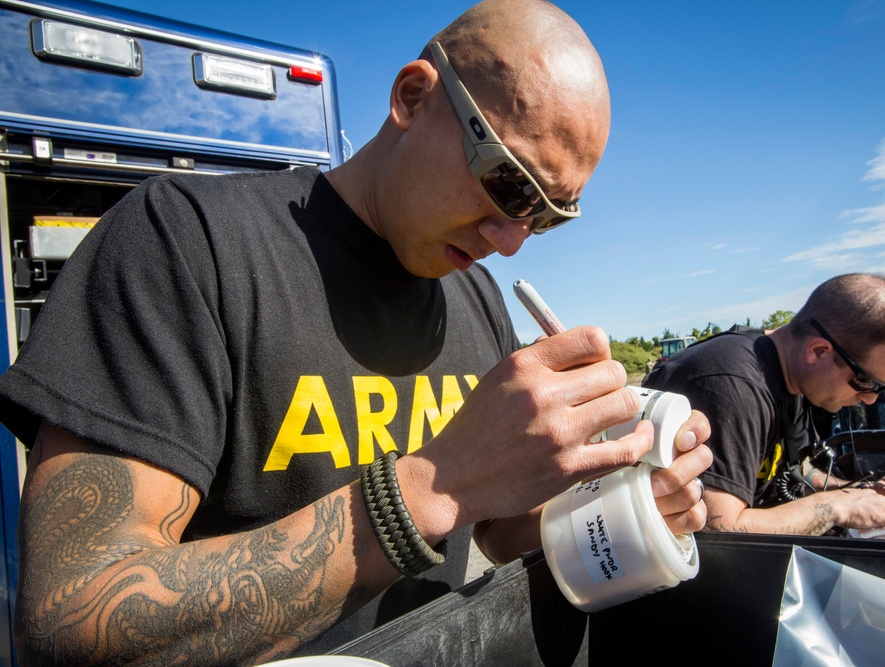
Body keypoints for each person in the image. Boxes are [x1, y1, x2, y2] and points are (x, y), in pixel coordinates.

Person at [0, 1, 712, 664]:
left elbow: (492, 532)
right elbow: (68, 615)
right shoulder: (187, 242)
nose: (513, 238)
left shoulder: (475, 297)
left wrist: (627, 505)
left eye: (548, 214)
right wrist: (431, 486)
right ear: (413, 97)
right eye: (511, 184)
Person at [643, 273, 885, 536]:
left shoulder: (793, 378)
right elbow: (722, 528)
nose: (871, 399)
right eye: (866, 382)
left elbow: (794, 472)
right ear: (818, 351)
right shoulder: (733, 385)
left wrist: (867, 495)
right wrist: (839, 507)